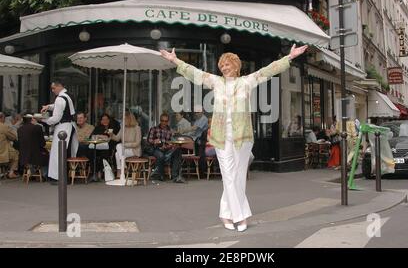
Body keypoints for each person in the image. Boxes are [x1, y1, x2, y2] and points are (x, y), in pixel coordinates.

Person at [160, 43, 308, 232]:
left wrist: (290, 57)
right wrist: (175, 60)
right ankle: (241, 216)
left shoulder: (247, 81)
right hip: (221, 137)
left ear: (236, 66)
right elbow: (194, 73)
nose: (223, 67)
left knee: (238, 177)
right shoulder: (216, 81)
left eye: (227, 64)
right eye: (221, 65)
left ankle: (225, 213)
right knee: (228, 176)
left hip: (243, 137)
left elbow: (269, 70)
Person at [40, 81, 79, 184]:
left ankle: (59, 177)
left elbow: (56, 117)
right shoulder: (68, 95)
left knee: (59, 152)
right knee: (67, 152)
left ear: (59, 86)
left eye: (53, 88)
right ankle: (63, 176)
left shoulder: (60, 98)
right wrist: (49, 106)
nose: (53, 91)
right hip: (70, 126)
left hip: (63, 127)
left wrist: (44, 120)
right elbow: (61, 105)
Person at [148, 113, 184, 183]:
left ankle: (175, 176)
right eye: (162, 120)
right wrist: (155, 141)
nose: (164, 122)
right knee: (161, 155)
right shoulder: (154, 129)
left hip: (167, 149)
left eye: (166, 121)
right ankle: (160, 175)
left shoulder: (170, 130)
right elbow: (149, 140)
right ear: (160, 121)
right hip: (156, 149)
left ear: (168, 121)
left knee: (177, 151)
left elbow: (172, 141)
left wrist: (169, 145)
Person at [110, 111, 142, 178]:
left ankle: (121, 170)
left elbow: (137, 143)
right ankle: (123, 166)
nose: (122, 120)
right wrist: (111, 134)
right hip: (124, 149)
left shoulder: (137, 128)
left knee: (118, 147)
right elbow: (117, 138)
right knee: (117, 152)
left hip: (134, 150)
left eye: (124, 119)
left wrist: (126, 145)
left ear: (129, 119)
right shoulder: (123, 128)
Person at [89, 113, 120, 179]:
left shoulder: (113, 128)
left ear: (109, 120)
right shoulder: (97, 128)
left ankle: (101, 171)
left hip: (109, 147)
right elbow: (92, 137)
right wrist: (100, 136)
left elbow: (115, 138)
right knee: (91, 152)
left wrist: (107, 137)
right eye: (103, 119)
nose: (105, 121)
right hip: (97, 146)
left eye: (106, 119)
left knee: (104, 153)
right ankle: (95, 171)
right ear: (101, 121)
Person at [0, 112, 19, 179]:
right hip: (2, 151)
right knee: (16, 155)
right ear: (2, 118)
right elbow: (13, 137)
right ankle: (11, 172)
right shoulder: (4, 126)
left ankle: (3, 172)